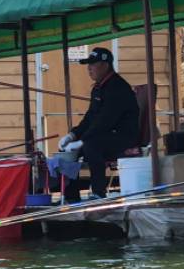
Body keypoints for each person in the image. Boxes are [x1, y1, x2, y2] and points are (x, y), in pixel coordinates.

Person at [57, 47, 139, 202]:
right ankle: (71, 195)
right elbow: (90, 118)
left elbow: (106, 120)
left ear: (105, 65)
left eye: (93, 64)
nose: (89, 68)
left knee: (91, 145)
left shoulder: (117, 87)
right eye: (88, 64)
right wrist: (73, 135)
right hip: (104, 134)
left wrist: (83, 141)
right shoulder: (98, 88)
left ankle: (98, 193)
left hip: (123, 136)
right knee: (67, 152)